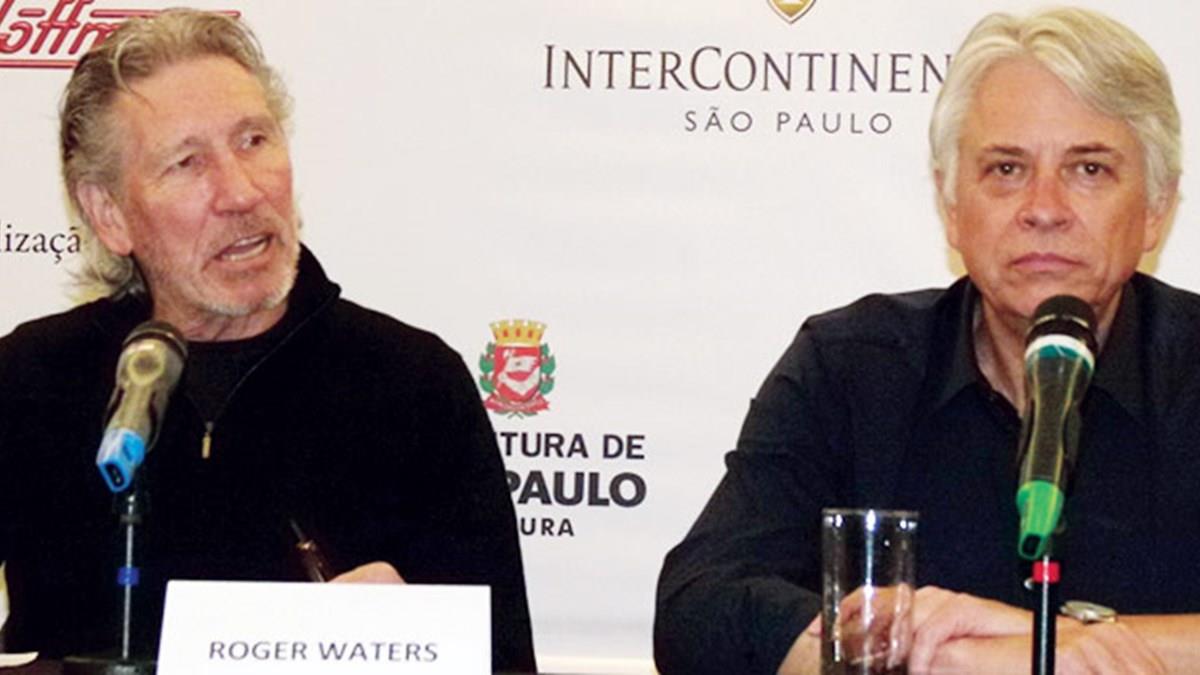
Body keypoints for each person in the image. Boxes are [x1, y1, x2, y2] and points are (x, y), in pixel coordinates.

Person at [655, 7, 1200, 674]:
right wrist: (946, 657)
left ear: (1156, 208)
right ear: (950, 204)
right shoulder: (853, 366)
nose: (1044, 208)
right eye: (1006, 169)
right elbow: (698, 609)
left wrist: (1039, 640)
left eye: (1088, 169)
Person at [0, 9, 536, 672]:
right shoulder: (32, 379)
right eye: (187, 162)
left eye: (254, 140)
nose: (241, 191)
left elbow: (505, 660)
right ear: (109, 214)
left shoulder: (413, 384)